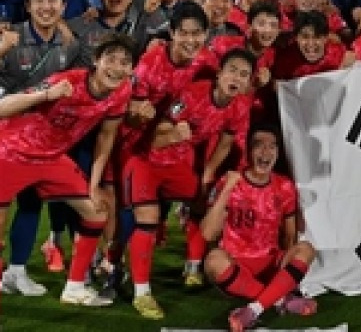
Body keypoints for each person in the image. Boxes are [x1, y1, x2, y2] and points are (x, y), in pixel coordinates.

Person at [0, 35, 138, 332]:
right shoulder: (67, 81)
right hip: (6, 150)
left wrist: (94, 184)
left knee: (96, 211)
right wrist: (45, 96)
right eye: (110, 59)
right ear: (96, 62)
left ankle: (74, 288)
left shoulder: (122, 92)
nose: (117, 67)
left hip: (50, 156)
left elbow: (106, 137)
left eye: (125, 62)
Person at [124, 49, 255, 320]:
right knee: (147, 219)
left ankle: (193, 267)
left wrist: (208, 173)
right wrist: (173, 134)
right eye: (232, 70)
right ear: (219, 72)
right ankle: (141, 292)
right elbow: (154, 138)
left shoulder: (240, 105)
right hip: (147, 159)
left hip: (178, 164)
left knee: (204, 198)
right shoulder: (193, 93)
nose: (236, 78)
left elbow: (227, 140)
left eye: (244, 75)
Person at [202, 124, 319, 332]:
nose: (266, 152)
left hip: (270, 263)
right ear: (249, 151)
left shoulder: (284, 186)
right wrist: (228, 188)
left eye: (272, 146)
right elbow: (207, 233)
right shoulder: (230, 182)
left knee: (306, 249)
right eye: (259, 146)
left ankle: (253, 310)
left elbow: (290, 234)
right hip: (237, 267)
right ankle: (280, 299)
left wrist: (286, 263)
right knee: (213, 260)